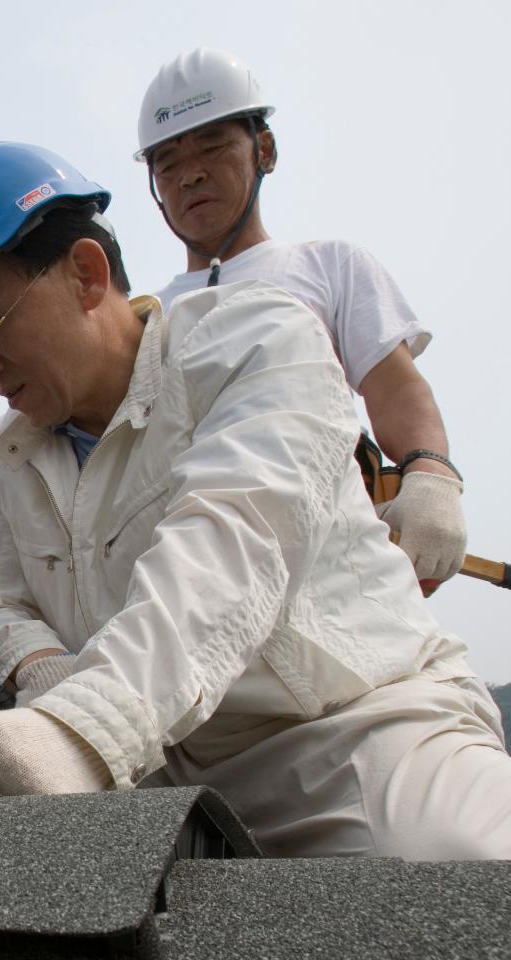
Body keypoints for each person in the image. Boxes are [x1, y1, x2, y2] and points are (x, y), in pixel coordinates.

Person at [0, 141, 511, 859]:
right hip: (156, 760)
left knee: (467, 864)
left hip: (346, 729)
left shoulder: (256, 342)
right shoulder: (8, 452)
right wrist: (43, 665)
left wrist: (83, 726)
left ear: (86, 274)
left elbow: (228, 550)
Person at [136, 48, 464, 595]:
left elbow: (396, 389)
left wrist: (431, 475)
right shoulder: (146, 319)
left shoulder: (329, 266)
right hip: (194, 579)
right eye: (167, 163)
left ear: (264, 150)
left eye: (213, 146)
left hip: (331, 570)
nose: (190, 173)